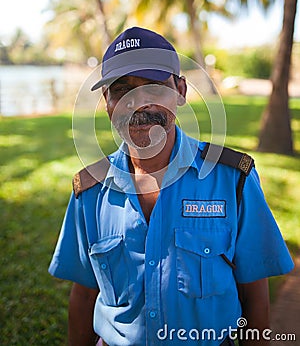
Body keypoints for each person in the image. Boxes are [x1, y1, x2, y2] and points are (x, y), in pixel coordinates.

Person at [49, 26, 294, 346]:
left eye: (154, 86)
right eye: (122, 89)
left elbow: (255, 296)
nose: (138, 103)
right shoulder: (90, 191)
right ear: (107, 102)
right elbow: (84, 294)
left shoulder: (232, 179)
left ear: (180, 91)